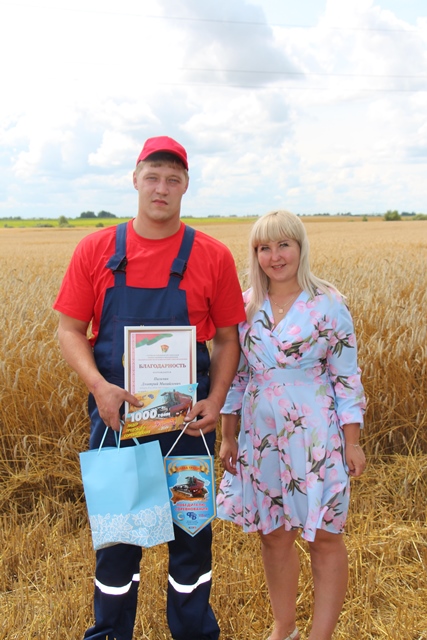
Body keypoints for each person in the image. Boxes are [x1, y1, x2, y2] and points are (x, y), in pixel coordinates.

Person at [53, 135, 246, 640]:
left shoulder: (212, 255)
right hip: (117, 422)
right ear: (135, 179)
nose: (162, 187)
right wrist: (98, 386)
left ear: (185, 186)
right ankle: (111, 633)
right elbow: (69, 329)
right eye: (153, 176)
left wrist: (218, 399)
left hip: (189, 425)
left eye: (173, 179)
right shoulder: (96, 248)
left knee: (191, 541)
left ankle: (193, 633)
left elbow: (227, 339)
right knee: (118, 544)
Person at [217, 210, 366, 640]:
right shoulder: (245, 304)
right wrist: (227, 436)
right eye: (264, 247)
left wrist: (352, 442)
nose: (274, 256)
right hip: (260, 434)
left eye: (283, 245)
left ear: (300, 247)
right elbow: (237, 375)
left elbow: (345, 376)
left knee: (324, 535)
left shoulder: (328, 302)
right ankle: (285, 628)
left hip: (316, 430)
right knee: (274, 534)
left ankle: (320, 636)